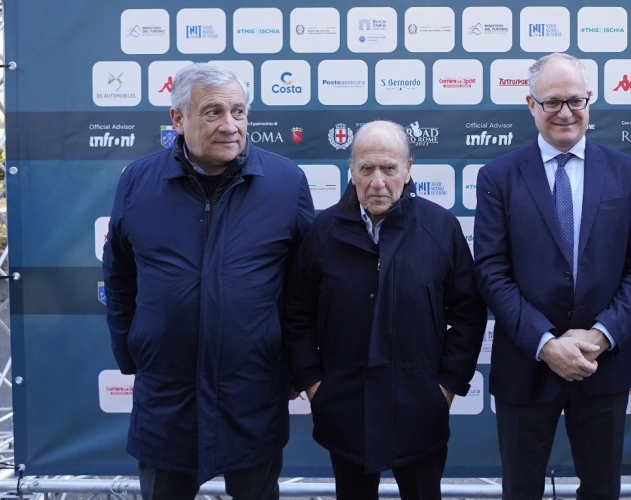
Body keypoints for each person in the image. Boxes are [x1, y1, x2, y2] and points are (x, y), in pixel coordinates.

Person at [103, 63, 315, 500]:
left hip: (251, 392)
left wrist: (296, 366)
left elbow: (305, 288)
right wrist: (132, 348)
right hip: (166, 396)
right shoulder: (137, 182)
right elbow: (119, 275)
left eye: (238, 111)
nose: (230, 125)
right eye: (213, 112)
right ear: (177, 120)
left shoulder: (285, 183)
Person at [473, 52, 631, 500]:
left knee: (601, 490)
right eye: (552, 102)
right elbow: (492, 272)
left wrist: (601, 334)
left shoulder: (626, 172)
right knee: (521, 490)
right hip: (526, 362)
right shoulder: (497, 177)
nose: (565, 113)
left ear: (589, 101)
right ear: (531, 105)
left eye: (575, 100)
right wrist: (545, 343)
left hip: (603, 363)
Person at [284, 120, 486, 500]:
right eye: (367, 169)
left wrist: (444, 388)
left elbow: (468, 312)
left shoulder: (440, 228)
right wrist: (314, 385)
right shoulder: (322, 232)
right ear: (352, 170)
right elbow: (297, 315)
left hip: (420, 410)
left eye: (389, 168)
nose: (378, 181)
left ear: (409, 168)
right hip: (345, 410)